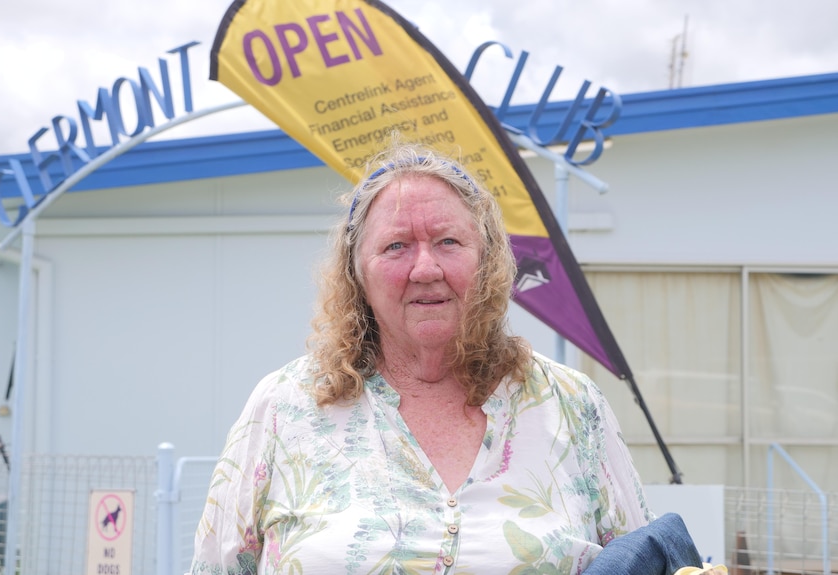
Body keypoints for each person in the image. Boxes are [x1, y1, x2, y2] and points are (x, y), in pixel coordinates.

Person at [188, 140, 697, 574]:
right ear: (357, 274)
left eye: (449, 241)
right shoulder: (284, 407)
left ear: (489, 261)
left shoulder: (571, 405)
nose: (425, 267)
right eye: (396, 246)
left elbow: (642, 562)